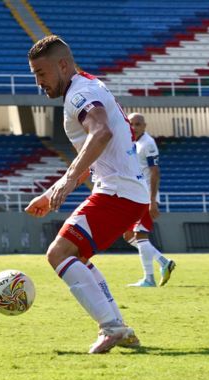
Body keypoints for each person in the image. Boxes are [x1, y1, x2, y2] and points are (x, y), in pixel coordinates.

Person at [24, 35, 150, 354]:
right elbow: (92, 156)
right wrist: (53, 190)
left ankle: (111, 327)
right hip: (123, 191)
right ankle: (119, 327)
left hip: (118, 192)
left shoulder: (79, 94)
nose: (39, 82)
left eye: (42, 73)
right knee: (75, 256)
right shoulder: (86, 86)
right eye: (34, 74)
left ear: (63, 65)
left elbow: (102, 132)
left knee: (58, 253)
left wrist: (66, 182)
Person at [122, 113, 176, 287]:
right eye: (131, 123)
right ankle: (163, 262)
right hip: (134, 195)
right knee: (128, 234)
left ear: (144, 126)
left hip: (145, 196)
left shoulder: (148, 143)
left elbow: (154, 172)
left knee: (140, 234)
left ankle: (149, 278)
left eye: (138, 124)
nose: (135, 127)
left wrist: (152, 200)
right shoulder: (131, 143)